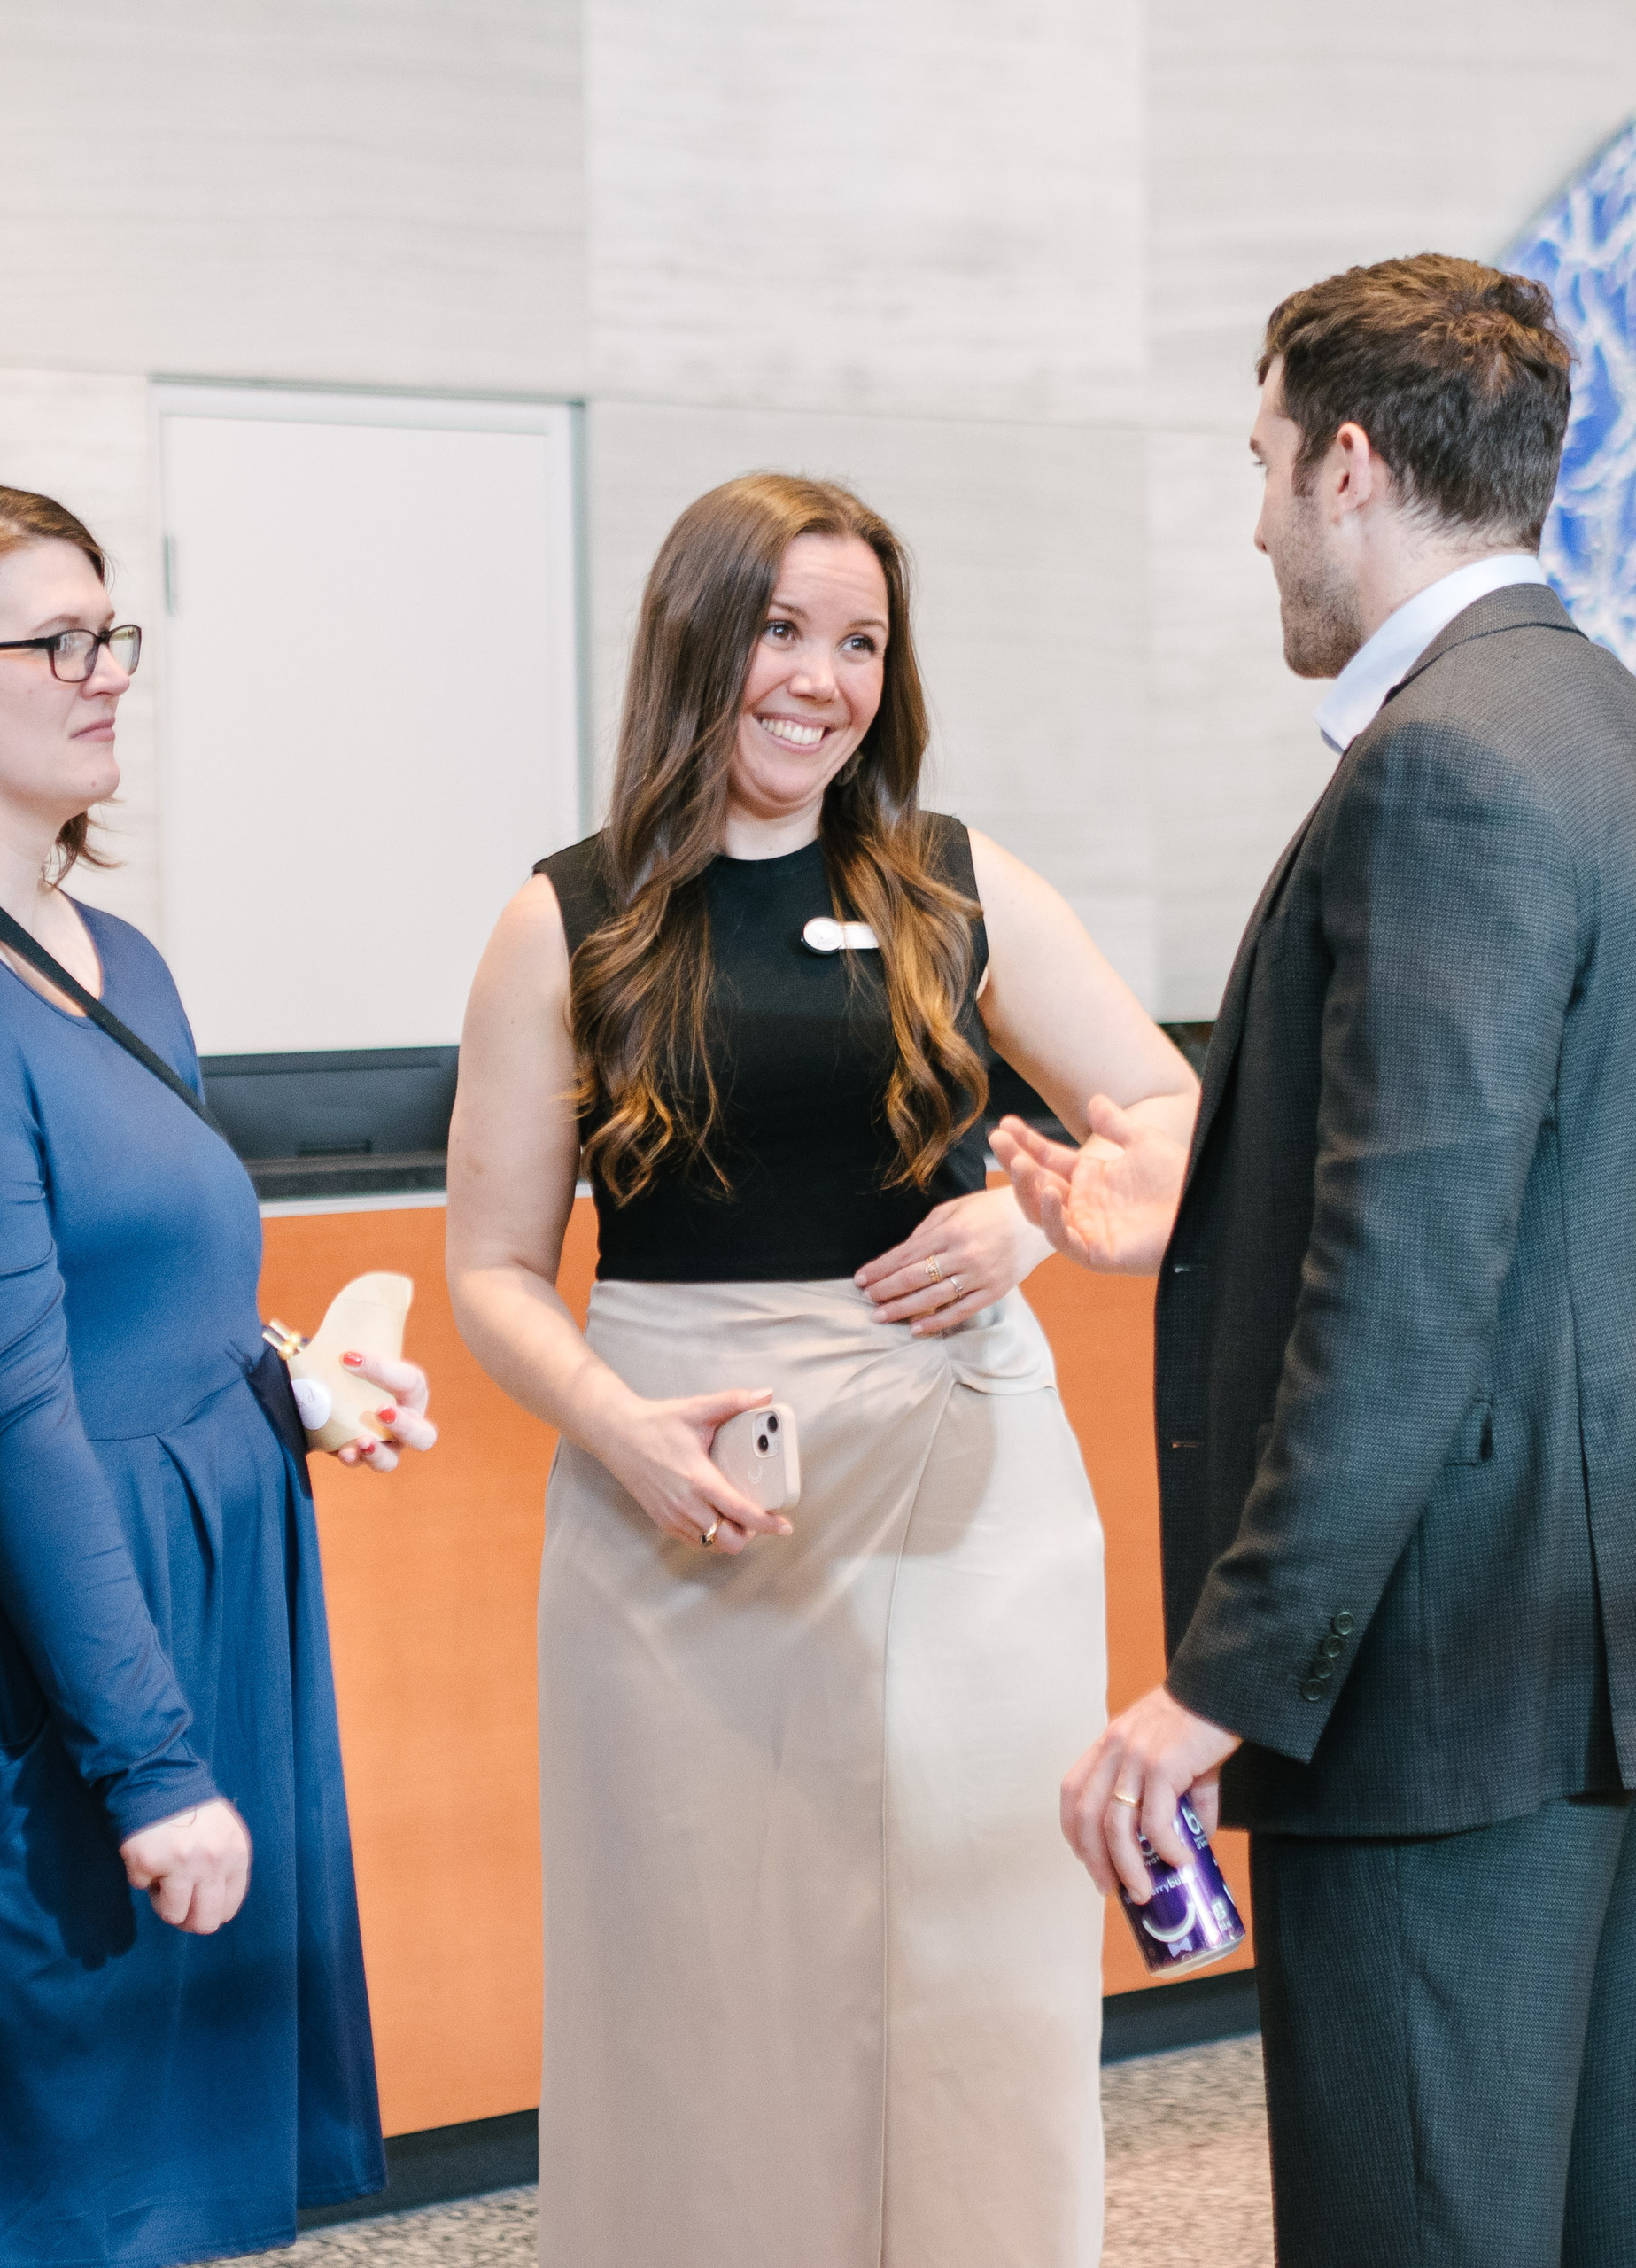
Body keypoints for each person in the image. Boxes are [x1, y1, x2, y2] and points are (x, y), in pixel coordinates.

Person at [999, 258, 1636, 2264]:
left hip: (1440, 1669)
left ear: (1347, 462)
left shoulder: (1440, 762)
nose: (1252, 514)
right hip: (1614, 1632)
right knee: (1602, 2213)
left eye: (1262, 462)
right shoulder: (1633, 744)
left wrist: (1223, 1677)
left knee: (1418, 2220)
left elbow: (1410, 1274)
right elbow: (1531, 1200)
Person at [446, 472, 1198, 2266]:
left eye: (857, 640)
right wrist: (614, 1426)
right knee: (695, 1961)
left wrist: (1026, 1222)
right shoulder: (565, 917)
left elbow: (1163, 1102)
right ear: (697, 638)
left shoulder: (952, 878)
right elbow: (485, 1269)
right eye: (782, 628)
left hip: (960, 1480)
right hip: (673, 1492)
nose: (820, 677)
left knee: (969, 1948)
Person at [0, 484, 435, 2268]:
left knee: (128, 2170)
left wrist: (290, 1383)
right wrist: (148, 1760)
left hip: (133, 1586)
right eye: (54, 641)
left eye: (110, 632)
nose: (104, 672)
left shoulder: (110, 959)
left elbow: (128, 1300)